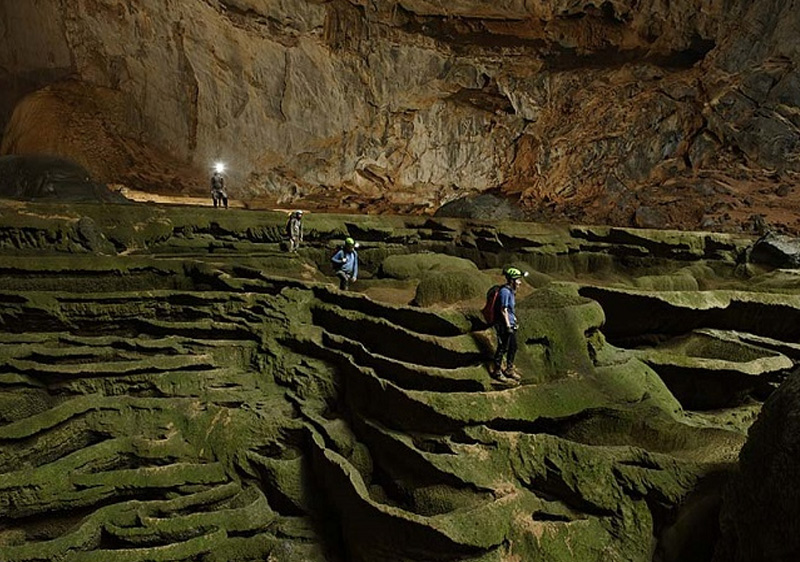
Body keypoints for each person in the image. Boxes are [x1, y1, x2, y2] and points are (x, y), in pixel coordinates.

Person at [491, 267, 528, 384]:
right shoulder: (505, 292)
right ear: (512, 280)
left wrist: (514, 320)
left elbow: (510, 309)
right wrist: (507, 326)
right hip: (503, 325)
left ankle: (509, 369)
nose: (520, 282)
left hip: (510, 324)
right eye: (518, 280)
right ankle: (497, 371)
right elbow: (503, 310)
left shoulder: (511, 291)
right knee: (502, 348)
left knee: (513, 346)